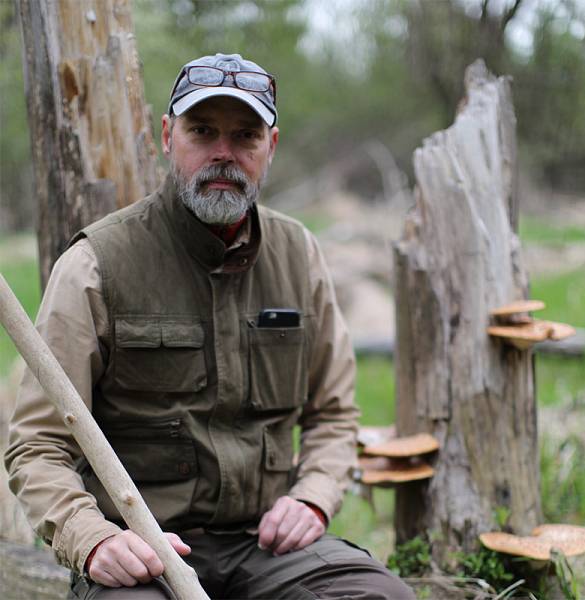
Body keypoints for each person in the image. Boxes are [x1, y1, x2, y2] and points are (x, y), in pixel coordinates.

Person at [5, 53, 415, 599]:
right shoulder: (96, 265)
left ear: (270, 147)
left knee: (383, 597)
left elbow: (334, 417)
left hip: (268, 549)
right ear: (167, 137)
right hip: (145, 553)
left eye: (245, 135)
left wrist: (313, 496)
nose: (224, 154)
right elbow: (38, 445)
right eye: (203, 131)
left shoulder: (299, 256)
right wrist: (94, 540)